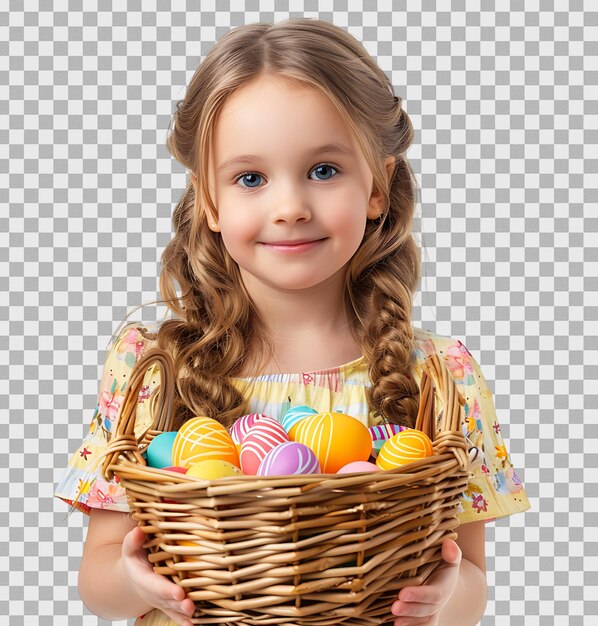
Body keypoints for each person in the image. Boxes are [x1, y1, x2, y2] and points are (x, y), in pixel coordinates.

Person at [54, 17, 530, 626]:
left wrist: (442, 602)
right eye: (250, 179)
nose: (290, 208)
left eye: (324, 170)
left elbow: (470, 578)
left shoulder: (437, 374)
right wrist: (133, 579)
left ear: (379, 186)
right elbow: (96, 581)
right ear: (210, 201)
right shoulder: (154, 364)